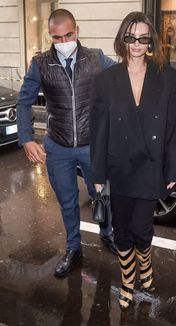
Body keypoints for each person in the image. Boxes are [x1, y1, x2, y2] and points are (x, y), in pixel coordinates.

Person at [90, 12, 176, 309]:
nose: (136, 43)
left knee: (142, 228)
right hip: (119, 167)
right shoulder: (105, 80)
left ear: (151, 41)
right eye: (130, 37)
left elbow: (174, 128)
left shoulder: (170, 78)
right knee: (121, 229)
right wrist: (97, 173)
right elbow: (99, 130)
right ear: (122, 39)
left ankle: (145, 263)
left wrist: (173, 168)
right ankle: (128, 280)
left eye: (143, 37)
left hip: (150, 166)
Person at [16, 8, 117, 278]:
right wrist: (26, 138)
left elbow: (129, 75)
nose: (63, 43)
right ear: (51, 37)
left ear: (77, 31)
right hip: (58, 147)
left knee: (102, 195)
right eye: (56, 38)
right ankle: (73, 248)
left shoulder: (96, 58)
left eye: (68, 35)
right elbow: (24, 101)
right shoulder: (40, 64)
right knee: (68, 201)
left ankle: (107, 234)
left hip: (91, 146)